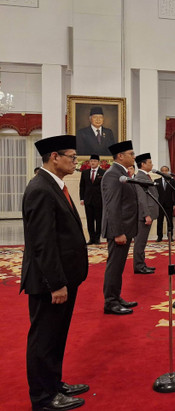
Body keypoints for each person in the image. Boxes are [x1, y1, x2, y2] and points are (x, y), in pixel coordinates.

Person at [21, 135, 90, 411]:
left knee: (56, 336)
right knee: (44, 339)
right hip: (49, 282)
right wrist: (57, 283)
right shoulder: (40, 188)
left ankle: (53, 383)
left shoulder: (54, 185)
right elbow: (42, 242)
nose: (75, 161)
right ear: (54, 157)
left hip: (62, 278)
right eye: (72, 157)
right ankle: (43, 397)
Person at [101, 140, 139, 315]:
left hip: (125, 228)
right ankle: (110, 302)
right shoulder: (112, 174)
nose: (134, 156)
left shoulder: (121, 172)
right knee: (114, 266)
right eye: (131, 153)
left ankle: (116, 297)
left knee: (119, 266)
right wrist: (117, 232)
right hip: (119, 230)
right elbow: (112, 206)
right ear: (120, 156)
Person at [132, 153, 158, 275]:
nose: (152, 164)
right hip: (144, 216)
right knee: (140, 241)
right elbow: (142, 198)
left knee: (142, 241)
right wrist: (146, 214)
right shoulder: (140, 177)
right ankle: (139, 266)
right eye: (150, 162)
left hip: (147, 214)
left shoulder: (144, 176)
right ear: (143, 164)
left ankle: (142, 264)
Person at [79, 154, 105, 245]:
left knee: (98, 220)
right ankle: (91, 238)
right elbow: (82, 186)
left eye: (94, 161)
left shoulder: (103, 172)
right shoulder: (85, 172)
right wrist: (82, 198)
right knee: (89, 220)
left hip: (99, 200)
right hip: (88, 200)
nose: (92, 163)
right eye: (91, 161)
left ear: (98, 162)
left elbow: (105, 187)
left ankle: (97, 238)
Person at [155, 165, 175, 242]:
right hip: (159, 204)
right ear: (160, 172)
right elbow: (155, 193)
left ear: (168, 172)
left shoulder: (172, 181)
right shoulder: (157, 181)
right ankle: (159, 236)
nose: (164, 172)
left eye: (166, 170)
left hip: (169, 204)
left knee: (169, 221)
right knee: (159, 221)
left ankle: (170, 236)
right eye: (163, 170)